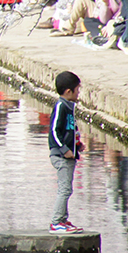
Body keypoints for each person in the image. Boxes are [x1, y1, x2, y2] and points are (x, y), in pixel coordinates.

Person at [47, 71, 84, 234]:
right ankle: (56, 222)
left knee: (67, 188)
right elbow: (54, 131)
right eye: (77, 90)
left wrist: (78, 145)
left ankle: (63, 220)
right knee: (64, 189)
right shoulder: (61, 106)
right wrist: (65, 150)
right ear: (68, 91)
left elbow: (70, 129)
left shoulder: (70, 107)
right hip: (61, 156)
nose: (79, 93)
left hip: (69, 154)